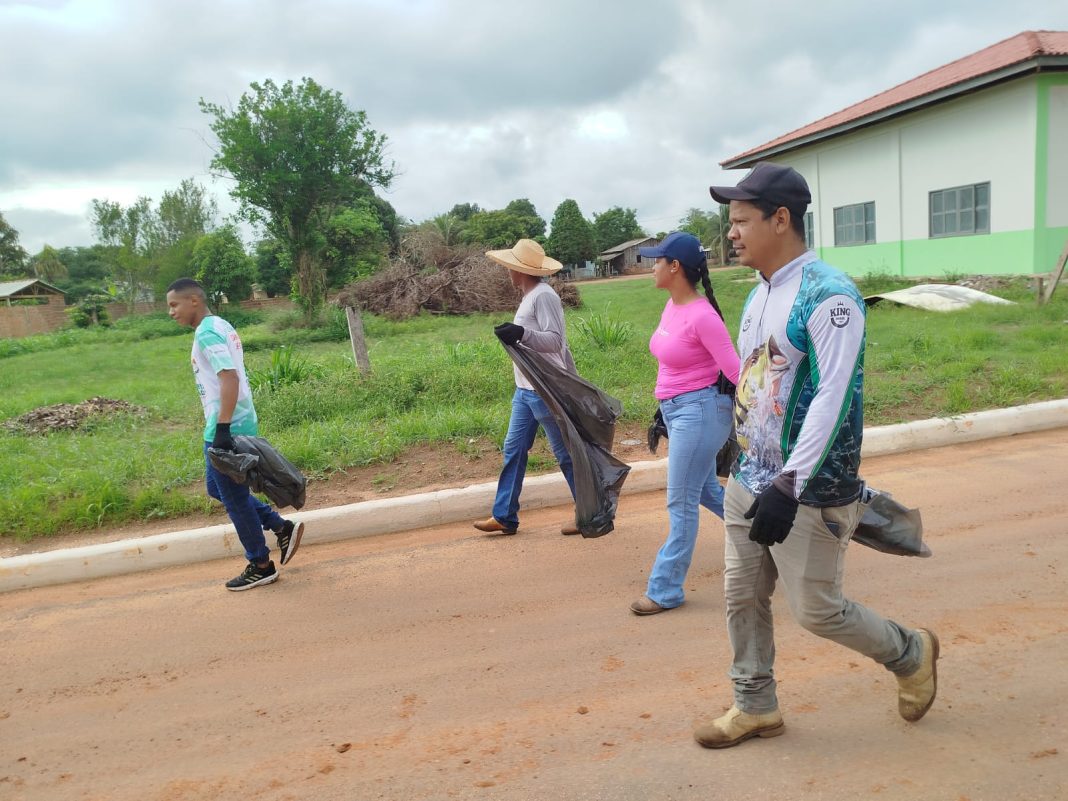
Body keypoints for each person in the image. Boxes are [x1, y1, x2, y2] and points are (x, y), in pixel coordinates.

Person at [693, 163, 938, 748]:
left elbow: (835, 394)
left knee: (817, 610)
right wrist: (738, 442)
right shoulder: (759, 293)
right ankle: (755, 705)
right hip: (750, 479)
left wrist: (791, 482)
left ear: (781, 219)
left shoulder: (829, 297)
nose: (731, 233)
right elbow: (758, 377)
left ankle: (910, 651)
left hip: (805, 489)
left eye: (741, 221)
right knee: (741, 595)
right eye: (731, 222)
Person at [166, 278, 304, 591]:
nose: (171, 312)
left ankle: (261, 564)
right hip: (231, 421)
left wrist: (223, 429)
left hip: (227, 426)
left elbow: (228, 377)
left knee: (235, 500)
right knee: (217, 489)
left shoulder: (207, 332)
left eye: (174, 305)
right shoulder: (220, 324)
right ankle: (280, 527)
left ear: (193, 301)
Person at [630, 232, 740, 616]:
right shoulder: (672, 306)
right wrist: (664, 408)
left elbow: (737, 373)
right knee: (706, 490)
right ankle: (766, 535)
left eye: (657, 261)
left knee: (681, 502)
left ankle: (665, 589)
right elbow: (673, 363)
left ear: (674, 267)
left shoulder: (703, 316)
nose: (652, 267)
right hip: (678, 411)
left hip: (702, 413)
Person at [472, 239, 579, 537]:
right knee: (514, 449)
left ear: (519, 270)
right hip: (525, 390)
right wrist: (519, 333)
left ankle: (592, 511)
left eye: (510, 267)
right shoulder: (531, 295)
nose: (508, 272)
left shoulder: (543, 296)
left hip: (544, 390)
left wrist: (520, 333)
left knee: (566, 454)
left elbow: (555, 341)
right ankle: (504, 515)